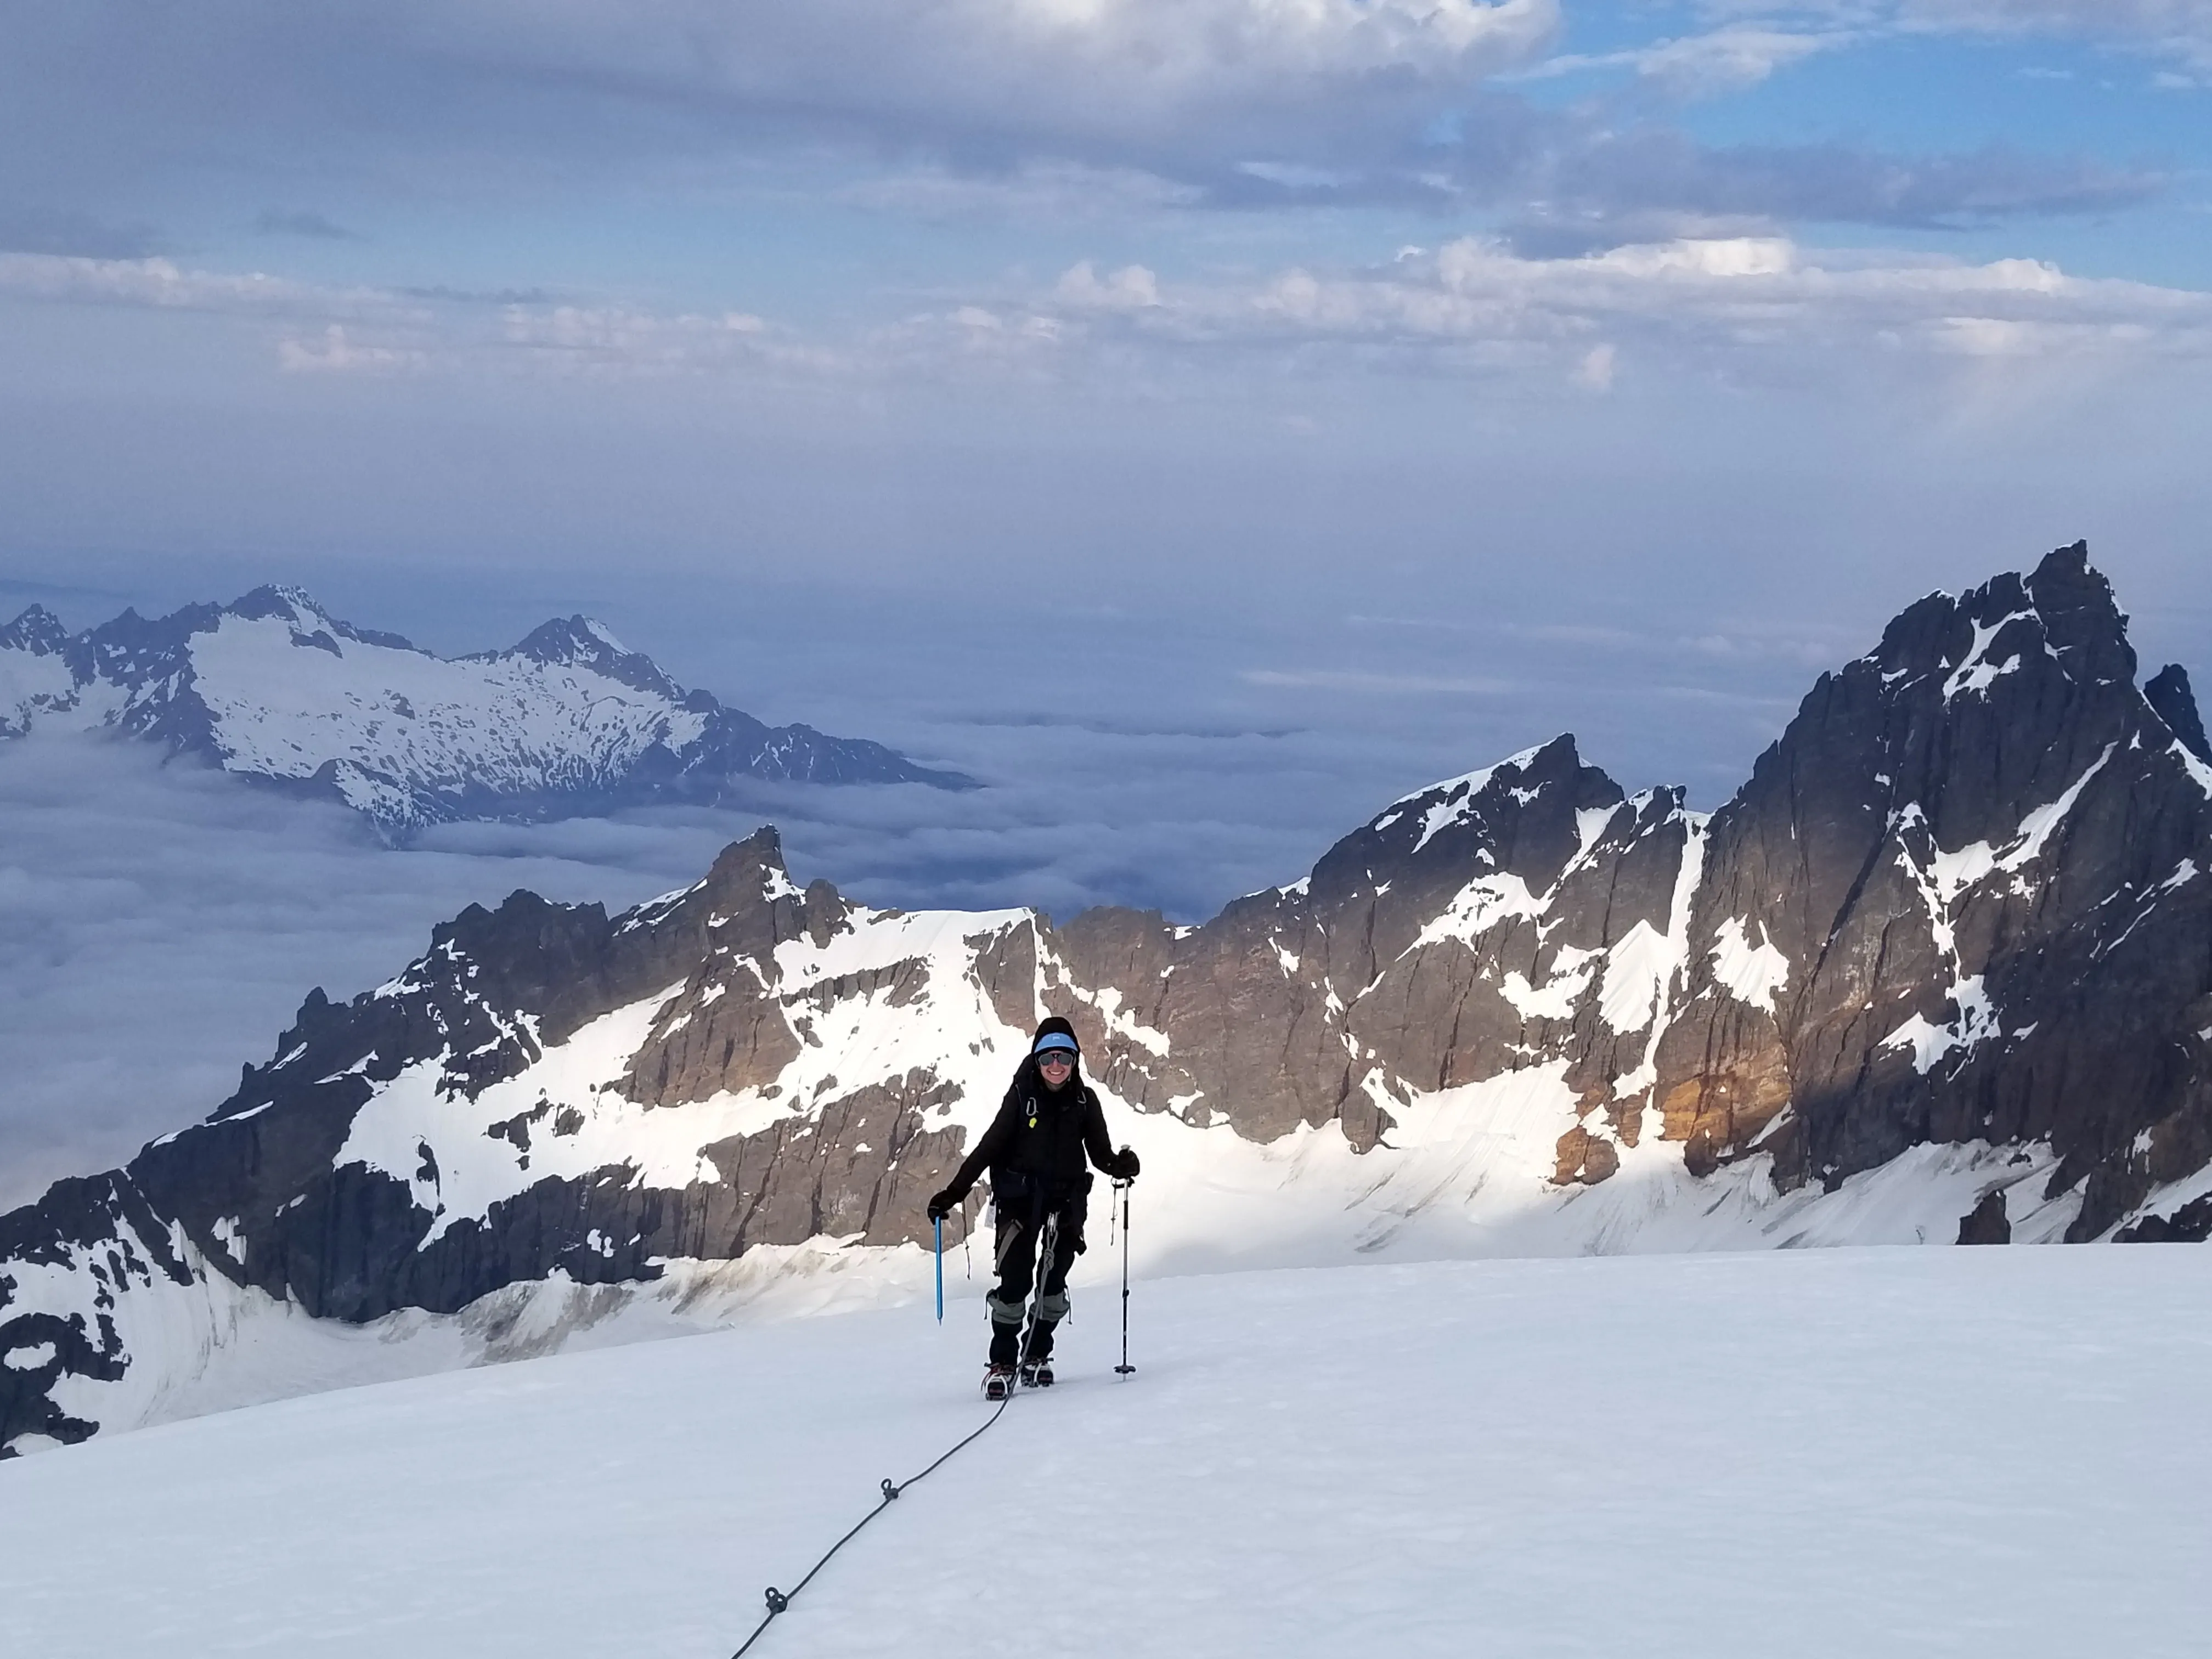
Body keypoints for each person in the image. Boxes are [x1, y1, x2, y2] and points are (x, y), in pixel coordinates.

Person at [929, 1016, 1139, 1400]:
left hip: (1066, 1200)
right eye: (1047, 1058)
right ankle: (1004, 1361)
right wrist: (952, 1194)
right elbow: (988, 1148)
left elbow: (1100, 1155)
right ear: (1037, 1060)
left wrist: (1120, 1166)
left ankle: (1036, 1353)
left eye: (1064, 1057)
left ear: (1075, 1060)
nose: (1055, 1065)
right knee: (1015, 1282)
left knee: (1053, 1282)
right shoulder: (1021, 1099)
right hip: (1019, 1202)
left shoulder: (1084, 1102)